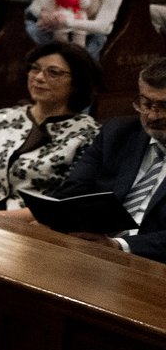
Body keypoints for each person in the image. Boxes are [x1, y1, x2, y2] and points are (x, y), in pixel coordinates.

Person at [0, 44, 100, 211]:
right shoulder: (2, 117)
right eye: (35, 69)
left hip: (34, 223)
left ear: (77, 83)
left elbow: (70, 198)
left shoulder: (89, 134)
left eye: (53, 72)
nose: (39, 77)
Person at [48, 56, 166, 261]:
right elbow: (73, 192)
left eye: (164, 106)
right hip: (92, 251)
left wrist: (119, 245)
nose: (152, 116)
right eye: (146, 103)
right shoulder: (117, 133)